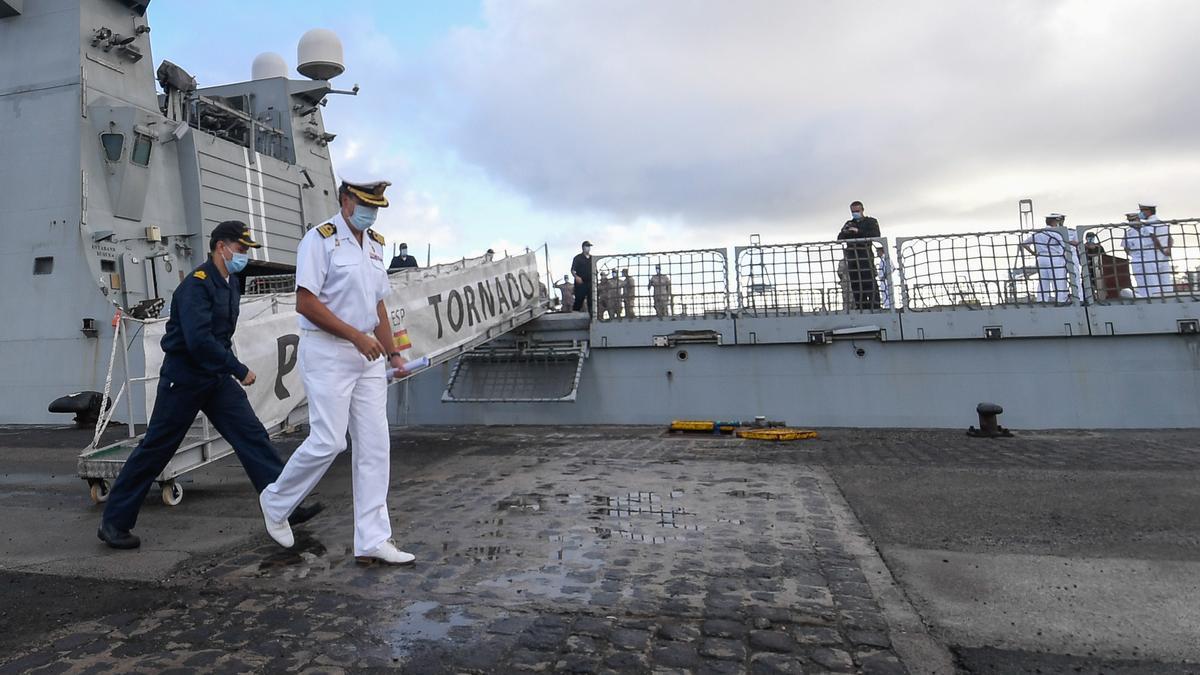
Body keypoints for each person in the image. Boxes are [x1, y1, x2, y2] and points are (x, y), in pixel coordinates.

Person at [97, 221, 322, 549]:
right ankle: (114, 522)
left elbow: (220, 337)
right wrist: (238, 368)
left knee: (252, 436)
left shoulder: (230, 284)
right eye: (241, 249)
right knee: (157, 449)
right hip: (184, 378)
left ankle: (285, 505)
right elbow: (198, 340)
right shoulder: (196, 286)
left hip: (214, 378)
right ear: (222, 247)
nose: (244, 255)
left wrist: (226, 367)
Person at [259, 178, 415, 565]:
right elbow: (305, 303)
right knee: (330, 441)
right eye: (365, 204)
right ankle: (276, 502)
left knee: (376, 444)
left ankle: (373, 540)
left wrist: (393, 353)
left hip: (368, 355)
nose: (371, 213)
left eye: (376, 207)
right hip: (328, 350)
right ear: (346, 200)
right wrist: (355, 338)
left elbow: (376, 304)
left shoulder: (376, 244)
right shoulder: (319, 239)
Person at [838, 201, 881, 310]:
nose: (855, 213)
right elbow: (840, 237)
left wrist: (858, 231)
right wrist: (848, 232)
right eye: (853, 211)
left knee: (869, 282)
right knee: (856, 284)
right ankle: (860, 306)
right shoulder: (849, 223)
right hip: (852, 258)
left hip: (865, 257)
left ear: (862, 210)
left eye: (857, 211)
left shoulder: (871, 222)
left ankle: (875, 306)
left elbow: (875, 235)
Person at [1124, 203, 1173, 297]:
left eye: (1142, 211)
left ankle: (1155, 298)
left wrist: (1164, 250)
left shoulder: (1148, 224)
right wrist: (1167, 250)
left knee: (1152, 282)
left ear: (1148, 211)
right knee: (1161, 282)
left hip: (1152, 255)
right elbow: (1170, 238)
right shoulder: (1161, 222)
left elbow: (1154, 238)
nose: (1141, 213)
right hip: (1160, 256)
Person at [1020, 213, 1070, 303]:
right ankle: (1061, 300)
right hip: (1054, 258)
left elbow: (1024, 244)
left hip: (1041, 258)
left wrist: (1034, 253)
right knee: (1058, 280)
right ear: (1054, 222)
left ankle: (1042, 300)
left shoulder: (1039, 233)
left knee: (1043, 281)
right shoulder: (1055, 233)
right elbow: (1065, 245)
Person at [570, 241, 593, 316]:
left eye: (589, 246)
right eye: (587, 246)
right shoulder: (578, 258)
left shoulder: (592, 258)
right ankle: (574, 316)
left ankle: (592, 317)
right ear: (583, 247)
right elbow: (573, 270)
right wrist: (576, 277)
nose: (588, 248)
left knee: (591, 301)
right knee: (579, 300)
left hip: (590, 282)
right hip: (581, 283)